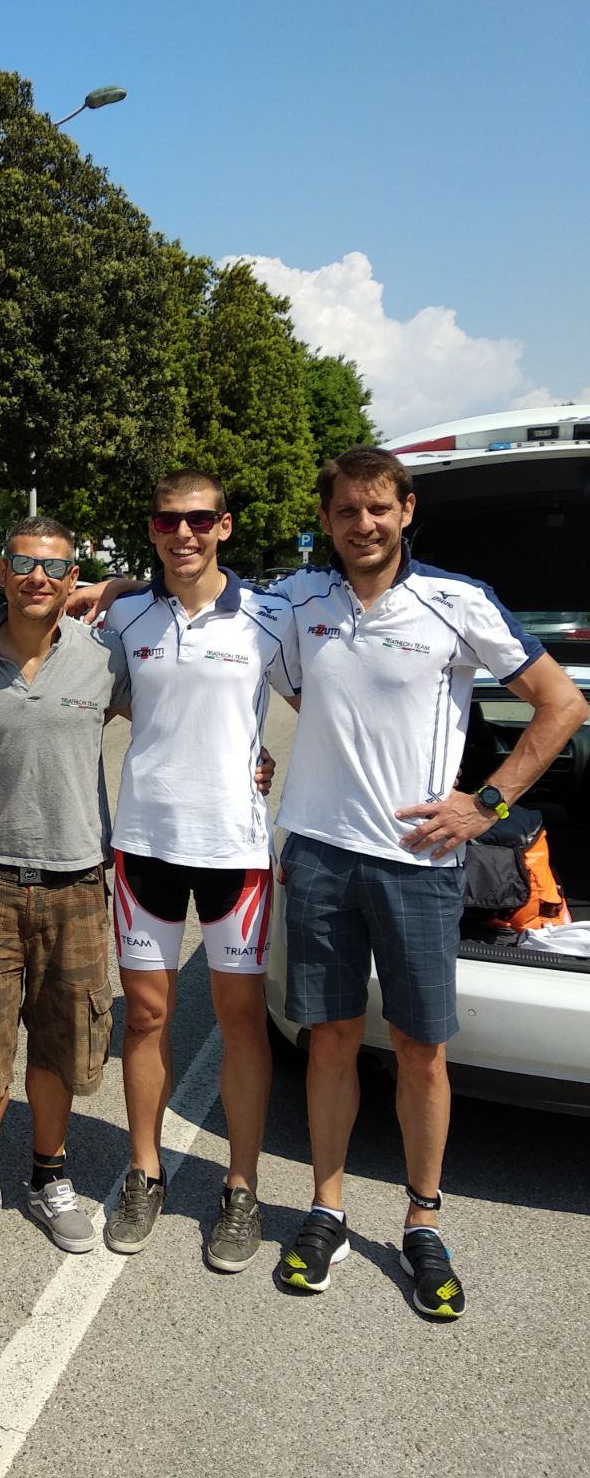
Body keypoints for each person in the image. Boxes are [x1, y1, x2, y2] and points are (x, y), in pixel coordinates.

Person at [273, 446, 586, 1317]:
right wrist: (105, 590)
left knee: (421, 1050)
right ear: (326, 518)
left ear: (407, 510)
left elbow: (563, 704)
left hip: (419, 864)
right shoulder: (298, 599)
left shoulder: (456, 598)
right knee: (329, 1042)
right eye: (346, 511)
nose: (362, 524)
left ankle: (422, 1219)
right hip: (323, 854)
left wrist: (486, 804)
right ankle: (326, 1209)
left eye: (378, 508)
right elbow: (209, 608)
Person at [100, 470, 295, 1271]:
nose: (183, 533)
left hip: (235, 852)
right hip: (143, 843)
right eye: (168, 521)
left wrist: (271, 758)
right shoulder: (126, 616)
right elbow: (88, 696)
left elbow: (333, 702)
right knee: (144, 1019)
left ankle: (240, 1187)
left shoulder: (269, 616)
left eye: (199, 520)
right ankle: (144, 1172)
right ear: (151, 530)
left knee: (242, 1021)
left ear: (225, 525)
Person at [0, 516, 130, 1258]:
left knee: (62, 1039)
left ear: (72, 575)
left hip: (79, 878)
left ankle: (49, 1175)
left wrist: (254, 761)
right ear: (2, 567)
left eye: (55, 567)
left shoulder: (105, 658)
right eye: (24, 563)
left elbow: (182, 720)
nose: (38, 578)